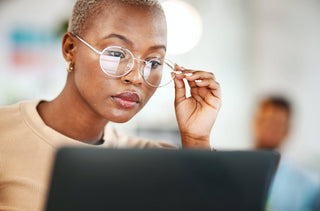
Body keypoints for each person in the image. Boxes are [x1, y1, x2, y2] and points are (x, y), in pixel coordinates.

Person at [0, 0, 221, 210]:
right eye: (116, 53)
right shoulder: (5, 134)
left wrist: (196, 140)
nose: (136, 78)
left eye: (153, 62)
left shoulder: (155, 162)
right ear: (70, 49)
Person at [252, 96, 320, 211]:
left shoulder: (308, 184)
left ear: (287, 130)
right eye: (265, 121)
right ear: (254, 123)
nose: (269, 129)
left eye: (276, 123)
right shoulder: (234, 173)